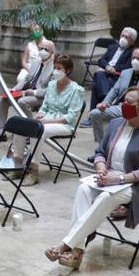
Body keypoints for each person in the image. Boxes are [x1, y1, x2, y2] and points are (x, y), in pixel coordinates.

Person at [44, 87, 139, 270]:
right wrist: (101, 169)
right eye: (124, 101)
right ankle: (77, 251)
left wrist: (118, 180)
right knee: (83, 189)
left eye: (129, 102)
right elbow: (100, 152)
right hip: (108, 177)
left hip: (137, 185)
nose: (124, 105)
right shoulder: (117, 124)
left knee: (105, 197)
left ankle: (66, 245)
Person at [10, 54, 85, 186]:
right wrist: (40, 114)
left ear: (67, 70)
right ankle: (18, 165)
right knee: (21, 127)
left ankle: (33, 171)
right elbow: (44, 107)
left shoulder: (77, 90)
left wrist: (47, 121)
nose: (56, 71)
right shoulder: (51, 85)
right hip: (46, 120)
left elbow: (71, 117)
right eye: (55, 67)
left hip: (64, 124)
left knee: (38, 131)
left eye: (59, 68)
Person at [0, 39, 55, 143]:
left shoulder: (54, 68)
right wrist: (14, 89)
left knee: (22, 102)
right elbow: (26, 79)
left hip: (41, 96)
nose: (42, 51)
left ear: (52, 53)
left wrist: (35, 92)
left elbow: (51, 90)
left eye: (46, 49)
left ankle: (31, 131)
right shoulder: (36, 62)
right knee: (3, 99)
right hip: (26, 92)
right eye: (41, 48)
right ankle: (1, 133)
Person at [88, 47, 139, 143]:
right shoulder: (125, 72)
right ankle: (102, 145)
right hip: (120, 106)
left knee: (120, 123)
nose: (135, 61)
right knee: (95, 113)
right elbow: (114, 91)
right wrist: (105, 103)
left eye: (138, 59)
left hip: (137, 108)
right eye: (133, 58)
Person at [85, 27, 137, 123]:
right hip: (106, 73)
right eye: (122, 35)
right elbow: (101, 60)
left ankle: (93, 116)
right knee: (99, 76)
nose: (123, 38)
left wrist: (114, 69)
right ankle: (106, 98)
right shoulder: (113, 46)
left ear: (132, 41)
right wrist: (107, 67)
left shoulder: (133, 52)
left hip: (118, 76)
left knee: (97, 82)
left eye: (127, 37)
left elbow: (129, 66)